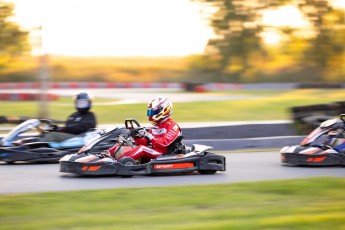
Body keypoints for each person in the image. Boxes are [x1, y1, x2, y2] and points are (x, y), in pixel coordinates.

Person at [106, 97, 182, 163]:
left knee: (141, 149)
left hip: (163, 154)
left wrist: (148, 135)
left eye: (153, 112)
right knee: (120, 144)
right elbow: (145, 142)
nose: (151, 114)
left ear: (164, 110)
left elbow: (164, 143)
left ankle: (120, 162)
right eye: (150, 112)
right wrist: (136, 136)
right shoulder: (156, 126)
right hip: (153, 150)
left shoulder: (172, 126)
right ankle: (105, 157)